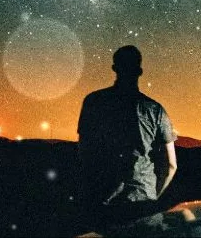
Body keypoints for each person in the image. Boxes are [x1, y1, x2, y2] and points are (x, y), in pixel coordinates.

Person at [76, 45, 177, 236]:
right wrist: (151, 195)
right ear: (140, 71)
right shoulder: (156, 110)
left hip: (106, 203)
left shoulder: (94, 102)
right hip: (145, 205)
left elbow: (84, 154)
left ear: (115, 68)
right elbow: (171, 165)